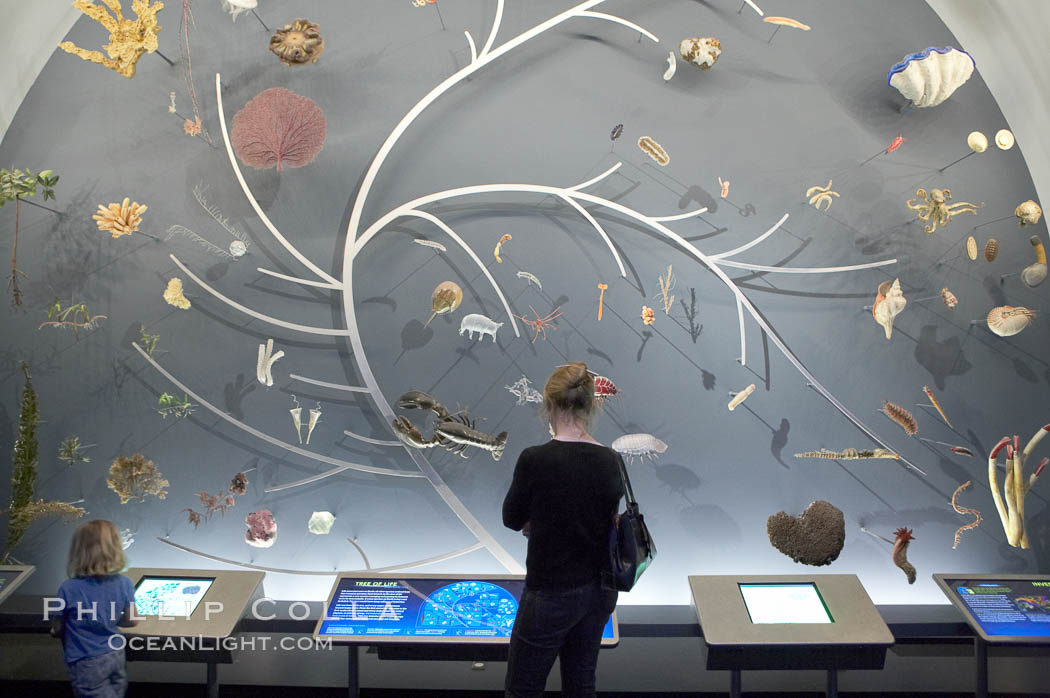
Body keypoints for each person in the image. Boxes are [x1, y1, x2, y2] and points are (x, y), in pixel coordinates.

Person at [502, 362, 624, 698]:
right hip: (598, 593)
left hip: (549, 591)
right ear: (591, 404)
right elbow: (605, 518)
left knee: (523, 689)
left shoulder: (535, 459)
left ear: (548, 404)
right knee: (581, 685)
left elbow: (511, 518)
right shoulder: (611, 461)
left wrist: (538, 523)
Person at [50, 520, 138, 697]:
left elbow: (57, 627)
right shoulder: (125, 583)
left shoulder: (68, 588)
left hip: (86, 660)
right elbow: (132, 620)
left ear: (79, 551)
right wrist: (109, 619)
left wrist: (56, 630)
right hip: (115, 655)